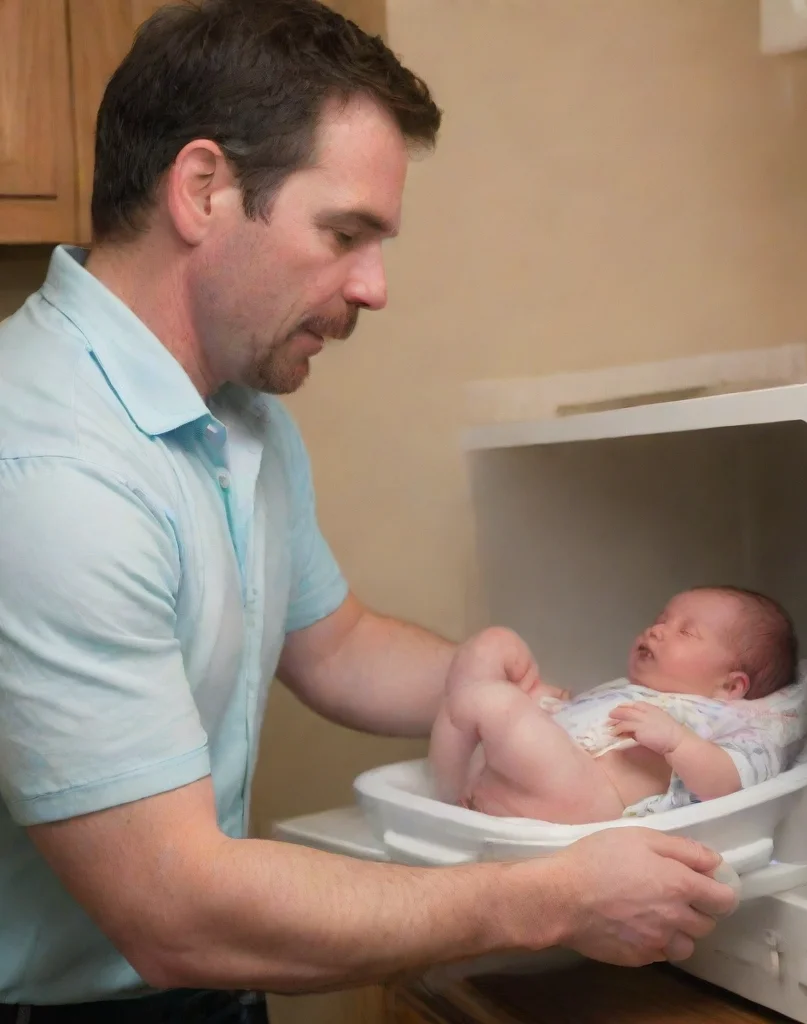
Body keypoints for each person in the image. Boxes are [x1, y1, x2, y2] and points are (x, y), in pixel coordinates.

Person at [0, 1, 737, 1019]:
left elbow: (331, 644)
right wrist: (551, 898)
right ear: (203, 190)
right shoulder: (47, 471)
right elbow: (168, 907)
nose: (376, 287)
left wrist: (533, 695)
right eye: (345, 233)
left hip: (203, 984)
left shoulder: (237, 410)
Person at [431, 587, 807, 824]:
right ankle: (462, 789)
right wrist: (543, 699)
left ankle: (449, 791)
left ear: (730, 685)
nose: (656, 630)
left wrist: (677, 742)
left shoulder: (733, 720)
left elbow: (730, 781)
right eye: (661, 620)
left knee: (492, 701)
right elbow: (574, 718)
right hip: (535, 777)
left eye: (685, 631)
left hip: (589, 795)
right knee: (494, 644)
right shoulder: (630, 689)